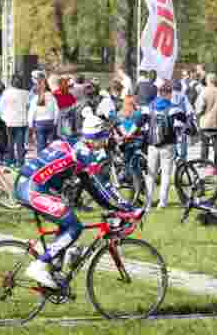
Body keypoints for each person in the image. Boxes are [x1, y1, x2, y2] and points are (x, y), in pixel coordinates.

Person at [15, 108, 139, 289]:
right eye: (103, 138)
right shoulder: (84, 153)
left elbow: (93, 189)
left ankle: (54, 270)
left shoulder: (73, 143)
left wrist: (114, 207)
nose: (104, 143)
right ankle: (39, 265)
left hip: (28, 184)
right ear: (95, 137)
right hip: (33, 189)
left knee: (65, 221)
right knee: (75, 226)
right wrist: (127, 208)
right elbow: (101, 185)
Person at [144, 81, 186, 209]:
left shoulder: (149, 107)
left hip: (152, 144)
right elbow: (184, 121)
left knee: (151, 174)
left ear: (159, 93)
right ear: (169, 94)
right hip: (168, 144)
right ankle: (162, 202)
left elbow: (140, 121)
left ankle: (148, 202)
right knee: (166, 174)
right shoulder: (174, 108)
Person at [0, 75, 30, 167]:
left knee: (10, 142)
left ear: (11, 83)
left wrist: (3, 117)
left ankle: (10, 161)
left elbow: (1, 107)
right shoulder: (26, 93)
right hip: (21, 121)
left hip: (9, 121)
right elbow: (28, 106)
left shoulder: (6, 93)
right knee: (20, 143)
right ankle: (20, 162)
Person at [27, 78, 58, 154]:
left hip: (39, 123)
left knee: (41, 145)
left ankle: (41, 159)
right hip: (50, 122)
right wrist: (55, 122)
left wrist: (30, 125)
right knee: (51, 145)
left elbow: (31, 113)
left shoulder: (35, 99)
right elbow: (57, 111)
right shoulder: (52, 97)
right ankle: (50, 158)